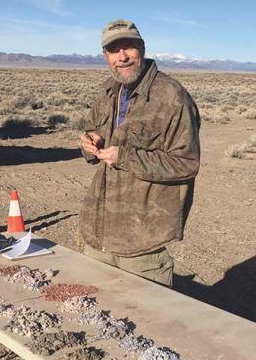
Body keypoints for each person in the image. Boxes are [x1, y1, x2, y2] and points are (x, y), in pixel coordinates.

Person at [78, 19, 200, 287]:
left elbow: (187, 163)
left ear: (142, 48)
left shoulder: (172, 98)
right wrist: (90, 142)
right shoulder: (110, 91)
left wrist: (124, 157)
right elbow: (94, 131)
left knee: (144, 324)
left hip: (141, 244)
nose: (122, 57)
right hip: (99, 237)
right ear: (105, 56)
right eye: (114, 50)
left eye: (129, 47)